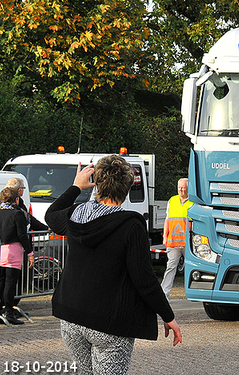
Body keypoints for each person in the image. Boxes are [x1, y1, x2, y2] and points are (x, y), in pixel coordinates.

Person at [45, 156, 182, 374]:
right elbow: (144, 279)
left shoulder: (75, 214)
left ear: (96, 184)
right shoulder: (130, 225)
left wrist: (75, 187)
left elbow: (50, 215)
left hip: (71, 318)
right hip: (109, 324)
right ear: (127, 187)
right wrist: (168, 316)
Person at [0, 187, 34, 325]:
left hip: (1, 249)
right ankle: (9, 311)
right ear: (16, 199)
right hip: (13, 250)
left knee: (1, 280)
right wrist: (30, 253)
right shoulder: (17, 213)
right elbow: (22, 235)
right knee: (10, 282)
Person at [160, 178, 193, 300]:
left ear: (188, 188)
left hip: (188, 243)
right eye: (179, 187)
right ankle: (164, 295)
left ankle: (193, 292)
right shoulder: (172, 200)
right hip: (173, 242)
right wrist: (165, 236)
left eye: (183, 187)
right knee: (170, 267)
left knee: (192, 267)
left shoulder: (193, 202)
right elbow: (167, 220)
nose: (181, 189)